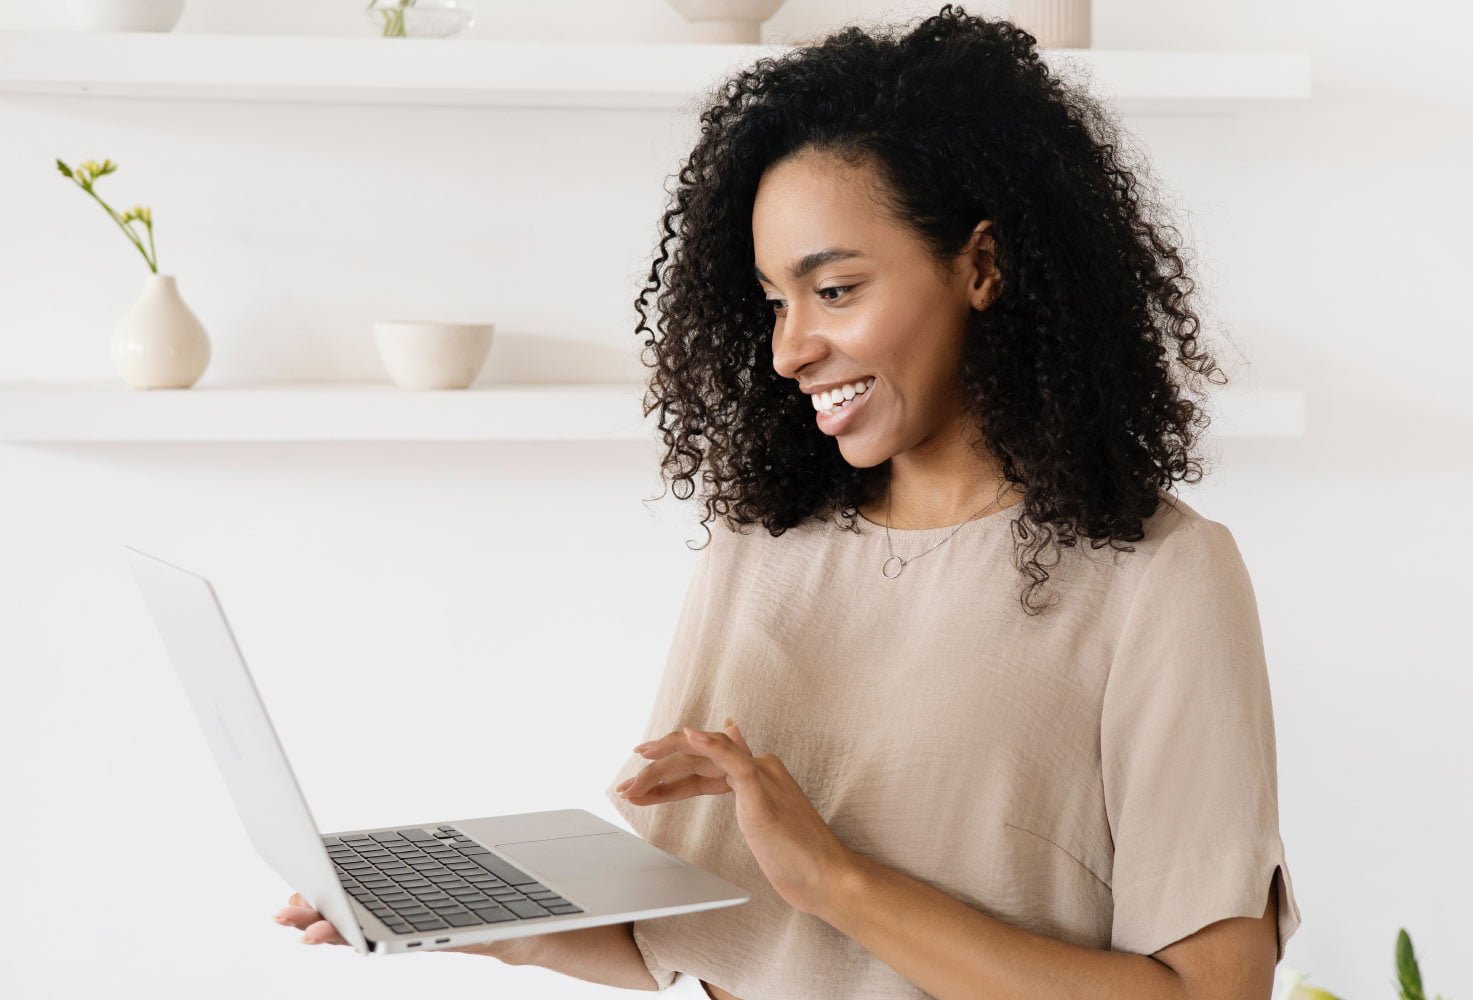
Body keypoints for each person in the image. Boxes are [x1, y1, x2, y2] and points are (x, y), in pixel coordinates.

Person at [275, 5, 1301, 996]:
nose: (790, 347)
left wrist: (837, 881)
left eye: (836, 289)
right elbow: (694, 935)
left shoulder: (1158, 577)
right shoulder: (760, 551)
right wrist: (485, 918)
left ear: (981, 266)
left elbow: (1212, 993)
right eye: (774, 300)